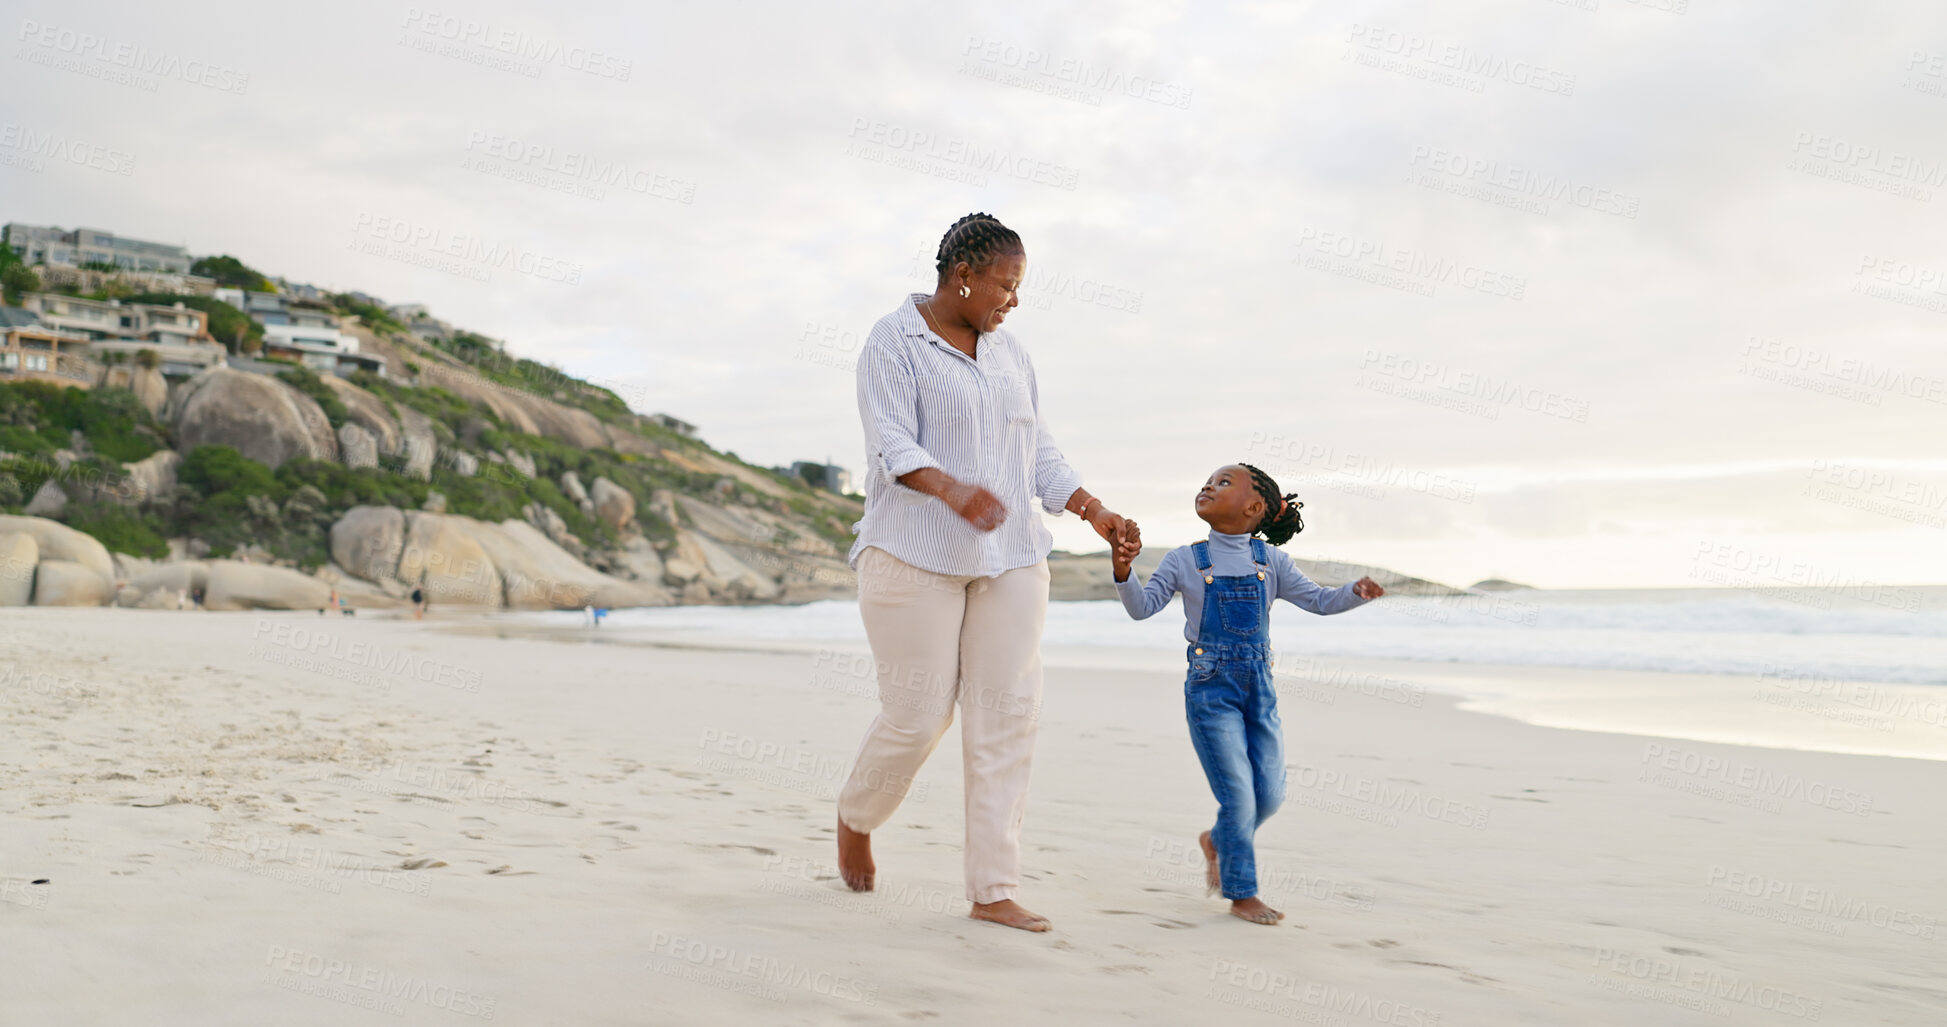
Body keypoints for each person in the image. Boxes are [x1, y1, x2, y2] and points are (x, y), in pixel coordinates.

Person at [836, 212, 1133, 933]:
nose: (1013, 300)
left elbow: (1039, 450)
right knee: (918, 715)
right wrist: (951, 489)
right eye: (1006, 284)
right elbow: (890, 446)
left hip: (1013, 556)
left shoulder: (1011, 355)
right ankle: (856, 815)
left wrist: (1094, 511)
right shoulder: (891, 341)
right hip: (913, 553)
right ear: (961, 276)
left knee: (1006, 716)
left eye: (1018, 286)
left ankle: (992, 889)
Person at [1113, 463, 1384, 924]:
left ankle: (1218, 840)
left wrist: (1354, 593)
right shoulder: (1184, 559)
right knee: (1238, 796)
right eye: (1208, 480)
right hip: (1209, 689)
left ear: (1255, 508)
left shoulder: (1271, 562)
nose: (1208, 486)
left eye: (1223, 483)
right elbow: (1142, 609)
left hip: (1260, 689)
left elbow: (1318, 601)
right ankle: (1243, 893)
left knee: (1270, 795)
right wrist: (1124, 571)